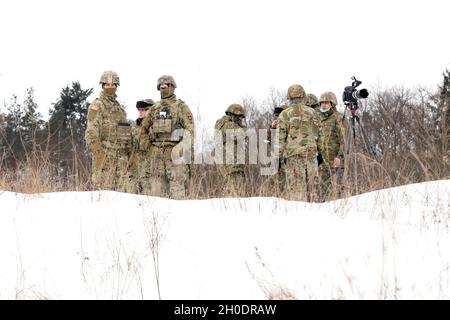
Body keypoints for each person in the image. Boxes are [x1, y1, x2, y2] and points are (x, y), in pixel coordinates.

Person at [140, 75, 194, 199]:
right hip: (157, 154)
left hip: (174, 153)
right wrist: (148, 148)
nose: (163, 88)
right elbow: (143, 129)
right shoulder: (155, 108)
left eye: (166, 86)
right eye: (161, 87)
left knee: (177, 190)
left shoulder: (181, 107)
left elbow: (190, 131)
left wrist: (180, 149)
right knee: (156, 190)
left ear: (173, 87)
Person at [85, 70, 131, 191]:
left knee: (122, 196)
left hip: (121, 160)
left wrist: (129, 154)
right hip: (105, 156)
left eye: (113, 85)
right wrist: (99, 154)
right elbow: (90, 133)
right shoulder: (97, 105)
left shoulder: (120, 109)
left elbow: (126, 135)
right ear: (103, 86)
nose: (110, 87)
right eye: (107, 85)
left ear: (117, 86)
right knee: (104, 196)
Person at [278, 84, 320, 201]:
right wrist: (319, 153)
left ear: (289, 97)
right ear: (303, 96)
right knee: (313, 190)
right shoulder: (313, 112)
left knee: (296, 192)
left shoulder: (285, 114)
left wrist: (278, 159)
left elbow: (280, 139)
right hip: (311, 155)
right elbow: (318, 135)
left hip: (293, 156)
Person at [317, 91, 349, 200]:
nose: (323, 105)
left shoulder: (338, 118)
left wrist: (340, 156)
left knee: (340, 186)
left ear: (332, 104)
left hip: (336, 158)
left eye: (326, 103)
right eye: (322, 103)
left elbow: (344, 139)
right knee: (323, 187)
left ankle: (341, 207)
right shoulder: (318, 119)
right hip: (323, 160)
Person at [214, 104, 247, 196]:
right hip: (232, 164)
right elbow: (243, 135)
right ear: (234, 115)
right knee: (236, 193)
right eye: (240, 117)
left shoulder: (221, 124)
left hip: (226, 163)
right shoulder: (228, 125)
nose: (241, 120)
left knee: (229, 190)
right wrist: (243, 127)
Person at [128, 99, 155, 194]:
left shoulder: (155, 126)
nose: (141, 112)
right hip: (134, 169)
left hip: (149, 169)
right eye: (139, 110)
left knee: (149, 197)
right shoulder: (135, 127)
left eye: (144, 110)